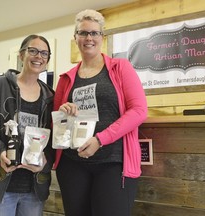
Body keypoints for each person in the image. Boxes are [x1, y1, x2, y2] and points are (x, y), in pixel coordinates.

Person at [53, 9, 148, 216]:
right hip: (72, 163)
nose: (89, 38)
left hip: (113, 163)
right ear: (75, 37)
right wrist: (63, 112)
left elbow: (139, 111)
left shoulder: (120, 68)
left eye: (94, 33)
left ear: (102, 38)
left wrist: (100, 139)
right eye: (83, 33)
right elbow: (57, 123)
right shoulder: (65, 78)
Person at [0, 34, 55, 216]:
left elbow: (55, 140)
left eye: (44, 53)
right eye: (33, 50)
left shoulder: (50, 97)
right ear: (21, 55)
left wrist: (46, 161)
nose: (39, 56)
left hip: (34, 189)